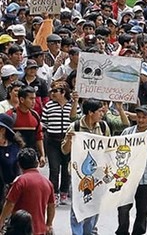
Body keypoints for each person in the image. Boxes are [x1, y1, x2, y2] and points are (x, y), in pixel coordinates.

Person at [61, 98, 111, 235]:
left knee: (94, 207)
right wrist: (70, 140)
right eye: (100, 111)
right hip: (78, 176)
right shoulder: (75, 127)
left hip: (98, 176)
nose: (102, 114)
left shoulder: (103, 127)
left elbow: (109, 149)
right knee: (78, 206)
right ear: (90, 112)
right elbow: (64, 150)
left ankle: (89, 231)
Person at [116, 105, 147, 235]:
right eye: (139, 117)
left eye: (144, 117)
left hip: (145, 178)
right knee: (123, 209)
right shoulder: (127, 132)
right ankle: (122, 231)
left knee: (142, 211)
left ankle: (138, 232)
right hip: (127, 178)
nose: (141, 120)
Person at [41, 81, 80, 206]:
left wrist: (75, 102)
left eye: (55, 91)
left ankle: (64, 192)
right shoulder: (49, 106)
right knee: (54, 168)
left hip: (68, 140)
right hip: (52, 140)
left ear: (63, 93)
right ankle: (53, 194)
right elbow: (44, 123)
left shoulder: (73, 106)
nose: (52, 93)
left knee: (66, 168)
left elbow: (77, 120)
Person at [0, 148, 55, 235]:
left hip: (21, 229)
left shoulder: (20, 181)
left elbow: (10, 203)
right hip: (40, 229)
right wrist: (48, 224)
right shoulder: (47, 182)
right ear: (36, 163)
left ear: (19, 165)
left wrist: (1, 221)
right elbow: (51, 206)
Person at [6, 86, 46, 167]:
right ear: (22, 100)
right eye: (31, 99)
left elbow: (39, 137)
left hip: (31, 158)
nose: (34, 102)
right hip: (14, 158)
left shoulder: (35, 115)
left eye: (34, 98)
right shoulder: (10, 115)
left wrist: (42, 155)